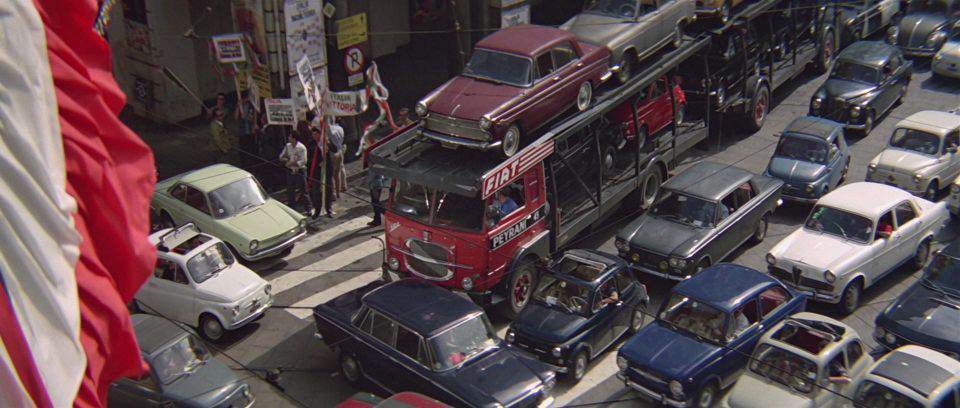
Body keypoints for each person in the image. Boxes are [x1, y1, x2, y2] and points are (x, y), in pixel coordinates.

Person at [279, 133, 308, 210]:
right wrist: (286, 159)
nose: (288, 138)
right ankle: (292, 207)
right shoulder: (287, 146)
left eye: (290, 137)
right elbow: (281, 156)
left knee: (303, 190)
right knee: (290, 190)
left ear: (294, 139)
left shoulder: (301, 147)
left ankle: (308, 208)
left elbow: (304, 161)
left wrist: (294, 163)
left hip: (300, 170)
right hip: (290, 170)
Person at [234, 91, 258, 163]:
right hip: (242, 131)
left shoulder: (251, 106)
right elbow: (235, 117)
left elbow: (253, 117)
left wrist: (246, 117)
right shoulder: (240, 106)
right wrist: (238, 106)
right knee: (244, 149)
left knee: (252, 148)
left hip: (250, 131)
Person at [327, 117, 347, 197]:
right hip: (339, 150)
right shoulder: (340, 128)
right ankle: (339, 192)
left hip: (332, 153)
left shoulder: (330, 130)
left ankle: (334, 193)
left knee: (332, 174)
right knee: (338, 172)